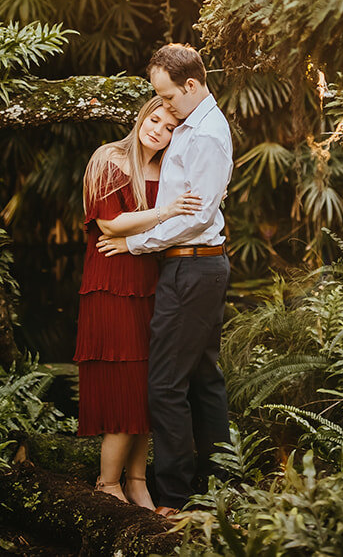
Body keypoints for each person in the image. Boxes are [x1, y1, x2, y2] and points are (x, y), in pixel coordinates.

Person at [98, 43, 233, 515]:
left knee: (165, 385)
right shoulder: (192, 126)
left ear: (191, 85)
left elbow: (196, 217)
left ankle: (175, 496)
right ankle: (219, 484)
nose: (164, 105)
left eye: (168, 95)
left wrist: (135, 244)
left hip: (192, 264)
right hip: (195, 265)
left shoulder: (206, 135)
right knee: (203, 380)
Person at [75, 95, 202, 509]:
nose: (158, 131)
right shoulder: (108, 158)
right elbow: (109, 223)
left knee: (149, 384)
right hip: (111, 283)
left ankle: (137, 480)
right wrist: (167, 212)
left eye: (169, 128)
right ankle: (107, 483)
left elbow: (184, 221)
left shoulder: (167, 171)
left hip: (151, 283)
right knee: (125, 384)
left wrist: (158, 222)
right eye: (154, 120)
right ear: (142, 116)